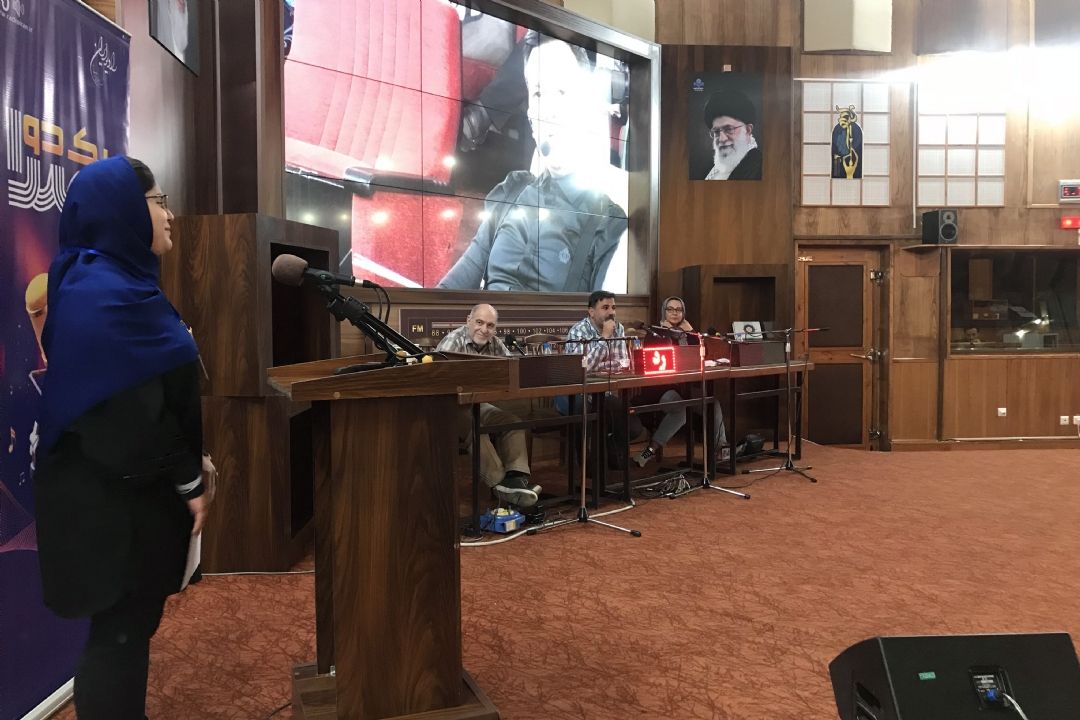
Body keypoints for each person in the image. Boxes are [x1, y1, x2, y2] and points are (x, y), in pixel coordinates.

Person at [33, 156, 215, 720]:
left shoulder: (113, 283)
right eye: (160, 202)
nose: (170, 215)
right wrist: (189, 479)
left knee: (129, 630)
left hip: (127, 494)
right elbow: (129, 418)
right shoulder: (102, 295)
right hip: (111, 506)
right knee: (118, 635)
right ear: (123, 211)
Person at [437, 36, 627, 292]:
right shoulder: (512, 191)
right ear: (530, 115)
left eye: (562, 92)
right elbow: (453, 288)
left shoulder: (608, 222)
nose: (548, 110)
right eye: (538, 93)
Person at [436, 304, 541, 507]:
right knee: (477, 429)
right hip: (447, 407)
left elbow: (512, 369)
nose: (484, 329)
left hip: (477, 404)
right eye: (479, 322)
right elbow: (439, 382)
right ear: (468, 321)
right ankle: (499, 485)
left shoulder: (495, 343)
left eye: (490, 325)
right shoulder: (452, 342)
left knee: (513, 422)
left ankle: (516, 478)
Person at [634, 297, 729, 467]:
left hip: (686, 387)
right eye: (670, 309)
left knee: (712, 404)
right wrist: (667, 332)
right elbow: (655, 358)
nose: (675, 313)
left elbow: (701, 353)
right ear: (664, 312)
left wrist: (691, 333)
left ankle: (720, 449)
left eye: (679, 310)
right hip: (660, 389)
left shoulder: (689, 333)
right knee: (680, 409)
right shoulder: (654, 334)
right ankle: (648, 452)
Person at [702, 89, 762, 181]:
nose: (721, 139)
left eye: (729, 129)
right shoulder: (713, 166)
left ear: (747, 130)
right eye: (716, 132)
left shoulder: (759, 167)